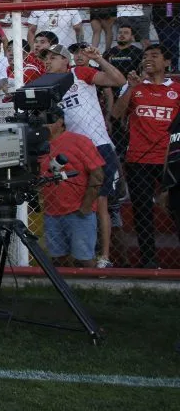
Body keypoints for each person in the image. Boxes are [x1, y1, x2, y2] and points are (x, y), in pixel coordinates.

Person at [45, 44, 124, 268]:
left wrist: (99, 59)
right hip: (69, 150)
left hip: (97, 144)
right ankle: (78, 254)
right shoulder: (46, 85)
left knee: (101, 202)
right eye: (45, 58)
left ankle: (104, 257)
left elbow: (118, 81)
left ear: (65, 61)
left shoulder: (78, 73)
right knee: (75, 202)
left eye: (53, 57)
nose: (47, 61)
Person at [112, 45, 180, 267]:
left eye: (154, 56)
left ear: (167, 62)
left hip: (170, 160)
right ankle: (149, 261)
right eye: (145, 56)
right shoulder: (135, 87)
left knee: (177, 208)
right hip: (138, 159)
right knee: (142, 212)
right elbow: (116, 114)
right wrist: (131, 88)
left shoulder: (177, 89)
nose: (148, 59)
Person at [39, 107, 105, 268]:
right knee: (57, 259)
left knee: (84, 259)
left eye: (49, 121)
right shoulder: (39, 146)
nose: (45, 125)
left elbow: (97, 174)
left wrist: (86, 206)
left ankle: (94, 284)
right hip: (51, 211)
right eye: (42, 121)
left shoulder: (79, 141)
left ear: (61, 122)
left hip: (77, 210)